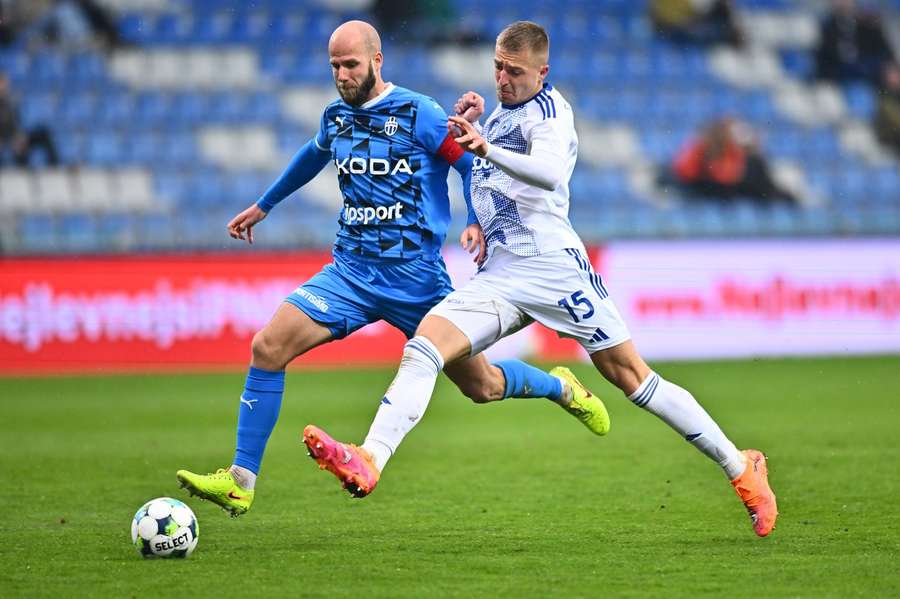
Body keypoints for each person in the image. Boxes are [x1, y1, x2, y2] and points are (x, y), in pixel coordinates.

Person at [304, 20, 778, 538]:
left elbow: (549, 174)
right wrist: (476, 190)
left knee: (632, 380)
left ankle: (740, 466)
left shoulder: (553, 115)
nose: (503, 79)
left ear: (542, 72)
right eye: (498, 68)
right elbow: (487, 179)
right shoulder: (502, 113)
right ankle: (369, 458)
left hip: (554, 268)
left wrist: (484, 148)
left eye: (515, 72)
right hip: (503, 274)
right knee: (424, 348)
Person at [176, 20, 610, 516]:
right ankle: (240, 481)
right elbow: (311, 155)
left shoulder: (418, 112)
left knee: (482, 386)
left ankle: (561, 387)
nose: (341, 75)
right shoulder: (335, 117)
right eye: (334, 66)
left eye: (351, 65)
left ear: (377, 61)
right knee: (267, 347)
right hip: (350, 274)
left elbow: (471, 164)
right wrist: (265, 205)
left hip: (416, 279)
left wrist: (476, 221)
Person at [668, 117, 798, 204]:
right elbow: (720, 174)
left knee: (757, 169)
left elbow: (730, 172)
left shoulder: (730, 149)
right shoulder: (701, 148)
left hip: (724, 185)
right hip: (701, 186)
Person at [814, 0, 896, 86]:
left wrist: (887, 67)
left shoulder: (869, 24)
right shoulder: (826, 27)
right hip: (836, 79)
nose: (843, 3)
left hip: (869, 77)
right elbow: (829, 58)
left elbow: (883, 51)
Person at [0, 73, 59, 168]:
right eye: (2, 83)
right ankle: (22, 171)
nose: (5, 86)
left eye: (6, 83)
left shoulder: (10, 102)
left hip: (15, 138)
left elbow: (16, 123)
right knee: (18, 148)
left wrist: (20, 135)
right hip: (5, 140)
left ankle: (55, 169)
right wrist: (9, 140)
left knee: (44, 134)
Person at [874, 62, 900, 156]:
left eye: (897, 74)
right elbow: (895, 118)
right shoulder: (883, 96)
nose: (895, 78)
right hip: (890, 138)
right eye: (892, 75)